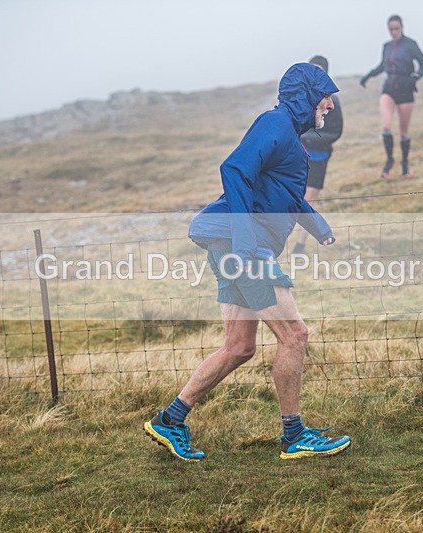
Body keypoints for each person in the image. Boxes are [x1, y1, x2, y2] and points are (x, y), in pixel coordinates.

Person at [143, 63, 351, 461]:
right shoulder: (274, 123)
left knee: (239, 347)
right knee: (295, 336)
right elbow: (234, 169)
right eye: (325, 95)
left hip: (234, 244)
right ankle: (294, 435)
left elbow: (282, 190)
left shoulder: (287, 133)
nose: (329, 103)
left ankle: (169, 420)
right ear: (306, 96)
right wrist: (246, 243)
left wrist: (315, 223)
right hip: (243, 246)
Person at [360, 15, 423, 178]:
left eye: (396, 29)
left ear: (402, 28)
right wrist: (368, 76)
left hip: (406, 89)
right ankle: (389, 161)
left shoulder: (411, 44)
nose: (394, 32)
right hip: (389, 88)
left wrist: (415, 77)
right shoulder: (387, 46)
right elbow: (382, 65)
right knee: (386, 126)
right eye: (391, 29)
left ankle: (405, 163)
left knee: (403, 132)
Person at [292, 55, 344, 257]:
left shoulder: (333, 101)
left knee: (309, 198)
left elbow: (336, 132)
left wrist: (311, 138)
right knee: (294, 197)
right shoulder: (300, 98)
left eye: (319, 71)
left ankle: (300, 246)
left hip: (319, 157)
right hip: (298, 156)